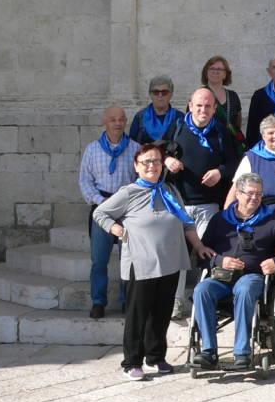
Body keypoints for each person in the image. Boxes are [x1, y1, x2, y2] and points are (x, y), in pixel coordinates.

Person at [93, 143, 212, 380]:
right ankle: (132, 362)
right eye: (146, 161)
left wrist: (199, 246)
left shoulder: (170, 190)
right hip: (142, 261)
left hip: (170, 261)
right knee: (138, 314)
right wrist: (115, 228)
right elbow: (100, 213)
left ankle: (155, 357)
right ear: (137, 166)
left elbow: (187, 222)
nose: (152, 166)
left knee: (161, 312)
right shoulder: (129, 192)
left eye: (156, 161)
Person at [191, 173, 275, 369]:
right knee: (202, 290)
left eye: (259, 194)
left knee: (244, 289)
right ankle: (208, 351)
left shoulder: (272, 219)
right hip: (221, 277)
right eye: (250, 193)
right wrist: (219, 260)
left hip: (252, 276)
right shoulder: (220, 219)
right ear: (238, 193)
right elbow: (202, 252)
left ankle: (242, 352)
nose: (254, 198)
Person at [163, 88, 242, 320]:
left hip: (209, 205)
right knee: (178, 255)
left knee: (207, 254)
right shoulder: (178, 127)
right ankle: (175, 303)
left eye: (208, 106)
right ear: (190, 106)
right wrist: (167, 159)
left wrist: (220, 171)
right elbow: (158, 149)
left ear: (215, 109)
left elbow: (235, 161)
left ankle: (204, 301)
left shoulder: (220, 131)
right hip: (180, 203)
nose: (203, 110)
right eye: (199, 105)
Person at [78, 105, 140, 319]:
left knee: (128, 257)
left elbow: (139, 181)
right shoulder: (92, 149)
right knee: (99, 258)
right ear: (105, 122)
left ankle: (126, 299)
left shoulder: (134, 149)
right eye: (113, 120)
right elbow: (85, 181)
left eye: (121, 119)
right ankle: (98, 300)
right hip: (101, 207)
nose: (117, 123)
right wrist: (100, 202)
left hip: (126, 208)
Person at [201, 56, 244, 146]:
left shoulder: (233, 96)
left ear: (225, 74)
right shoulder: (199, 95)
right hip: (207, 144)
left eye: (219, 69)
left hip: (231, 145)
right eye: (212, 68)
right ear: (206, 73)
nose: (215, 71)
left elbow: (237, 122)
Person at [129, 75, 184, 144]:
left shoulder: (179, 117)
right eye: (156, 92)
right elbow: (132, 143)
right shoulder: (140, 117)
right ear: (150, 94)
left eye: (164, 92)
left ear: (171, 95)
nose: (160, 96)